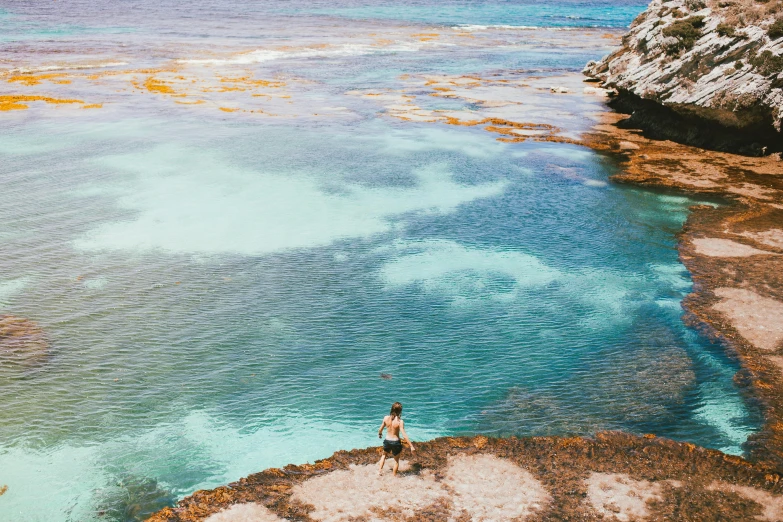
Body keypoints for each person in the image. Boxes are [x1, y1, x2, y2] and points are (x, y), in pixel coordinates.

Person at [377, 402, 415, 476]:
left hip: (387, 440)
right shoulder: (400, 422)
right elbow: (404, 435)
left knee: (384, 455)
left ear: (391, 409)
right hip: (395, 442)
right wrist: (411, 446)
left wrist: (380, 434)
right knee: (396, 461)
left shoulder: (385, 418)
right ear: (400, 411)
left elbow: (380, 429)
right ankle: (394, 476)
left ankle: (379, 471)